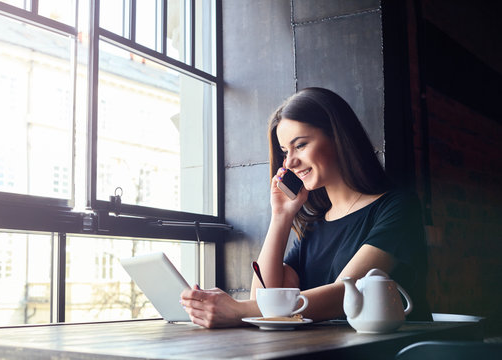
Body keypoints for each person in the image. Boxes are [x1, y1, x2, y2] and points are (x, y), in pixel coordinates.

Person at [180, 87, 431, 328]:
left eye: (300, 145)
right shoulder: (315, 227)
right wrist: (281, 217)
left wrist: (239, 310)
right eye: (284, 151)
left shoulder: (398, 207)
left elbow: (347, 294)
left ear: (338, 138)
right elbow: (264, 296)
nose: (290, 161)